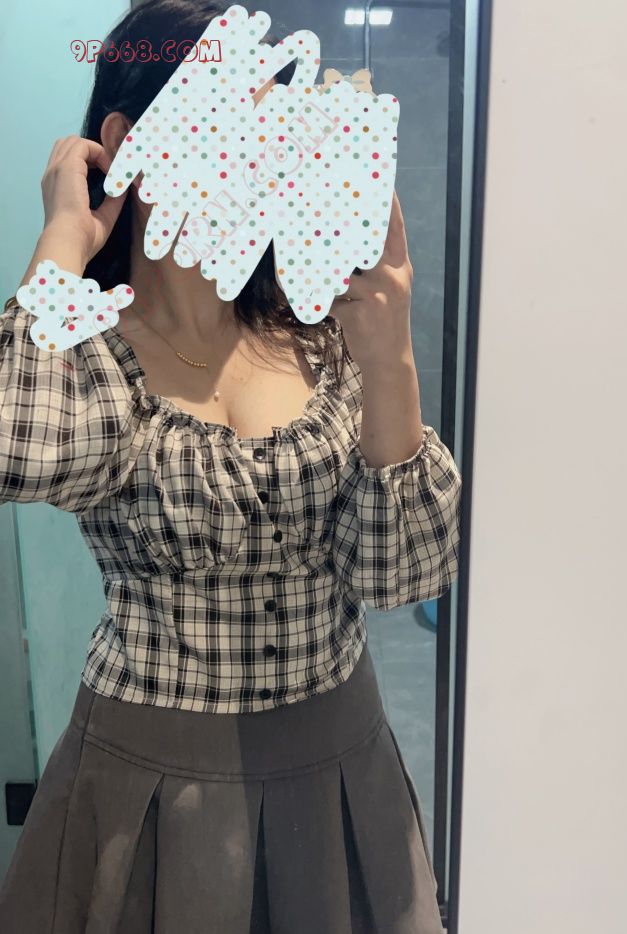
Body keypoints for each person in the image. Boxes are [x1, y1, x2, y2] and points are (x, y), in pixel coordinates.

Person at [0, 2, 462, 931]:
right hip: (144, 785)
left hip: (339, 763)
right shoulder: (93, 350)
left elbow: (403, 576)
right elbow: (18, 446)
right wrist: (63, 240)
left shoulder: (317, 331)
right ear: (126, 143)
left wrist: (390, 355)